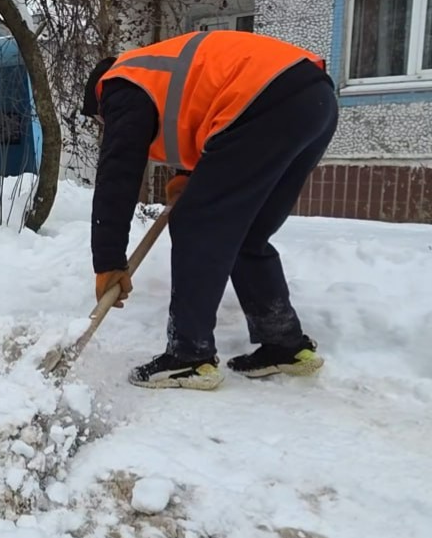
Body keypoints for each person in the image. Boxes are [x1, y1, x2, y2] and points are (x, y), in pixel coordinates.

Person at [82, 29, 338, 390]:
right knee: (248, 233)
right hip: (314, 99)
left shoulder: (122, 85)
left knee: (195, 224)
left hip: (266, 98)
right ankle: (284, 344)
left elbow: (118, 174)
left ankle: (189, 354)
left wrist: (107, 260)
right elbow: (206, 112)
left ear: (99, 98)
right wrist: (190, 177)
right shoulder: (156, 76)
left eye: (101, 121)